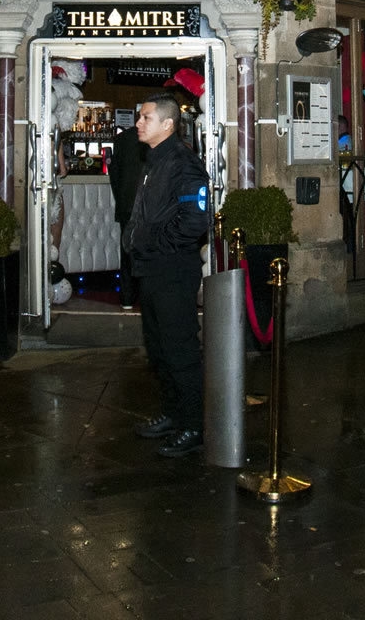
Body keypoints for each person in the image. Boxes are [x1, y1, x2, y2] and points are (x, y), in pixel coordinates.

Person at [124, 91, 213, 457]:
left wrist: (155, 244)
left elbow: (196, 219)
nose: (138, 123)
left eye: (146, 117)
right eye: (139, 117)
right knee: (159, 349)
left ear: (168, 124)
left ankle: (194, 425)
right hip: (151, 269)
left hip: (172, 270)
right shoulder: (154, 160)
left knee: (180, 350)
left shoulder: (184, 163)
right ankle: (173, 414)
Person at [106, 114, 146, 308]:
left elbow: (114, 174)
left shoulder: (122, 139)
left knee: (127, 253)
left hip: (127, 204)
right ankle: (148, 297)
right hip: (151, 205)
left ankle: (128, 299)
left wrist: (121, 199)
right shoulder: (159, 136)